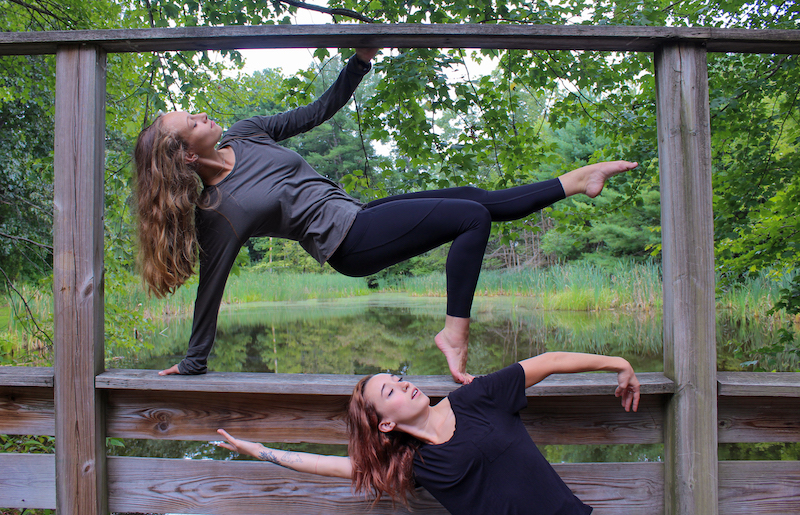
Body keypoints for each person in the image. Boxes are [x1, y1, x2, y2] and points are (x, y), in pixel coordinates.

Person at [134, 46, 639, 383]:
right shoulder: (219, 210)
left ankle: (576, 181)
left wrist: (360, 59)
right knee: (471, 219)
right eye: (192, 120)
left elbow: (317, 111)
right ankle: (453, 333)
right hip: (350, 245)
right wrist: (194, 360)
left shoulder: (246, 132)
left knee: (473, 197)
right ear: (183, 156)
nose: (203, 114)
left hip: (359, 215)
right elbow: (212, 285)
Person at [217, 351, 641, 514]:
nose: (404, 384)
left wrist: (617, 363)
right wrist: (260, 450)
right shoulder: (417, 464)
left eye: (398, 379)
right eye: (391, 390)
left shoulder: (477, 398)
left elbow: (547, 361)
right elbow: (332, 465)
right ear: (385, 423)